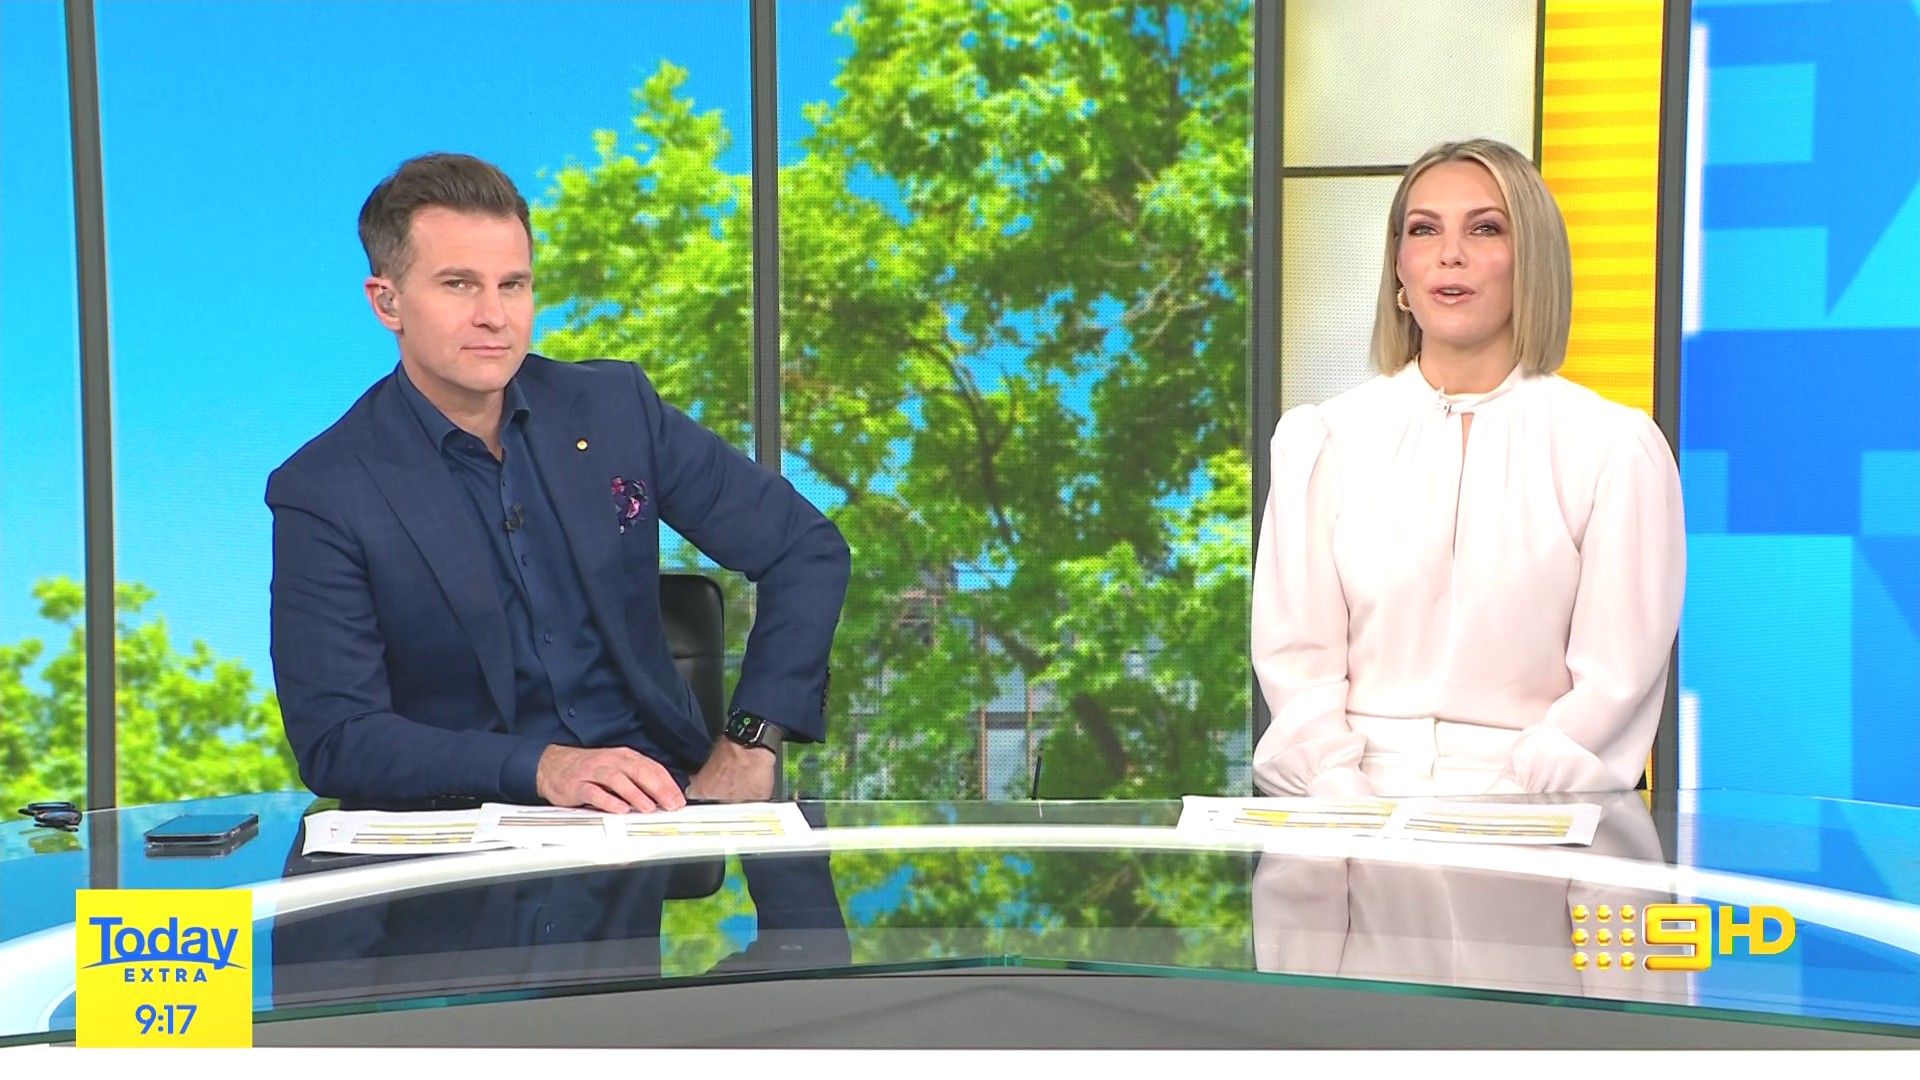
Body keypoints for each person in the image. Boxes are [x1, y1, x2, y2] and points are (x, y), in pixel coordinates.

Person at [267, 152, 849, 812]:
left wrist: (749, 742)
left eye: (513, 285)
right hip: (465, 831)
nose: (495, 315)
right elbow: (338, 738)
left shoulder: (615, 410)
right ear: (387, 302)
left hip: (660, 812)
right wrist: (541, 768)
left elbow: (804, 547)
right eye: (459, 285)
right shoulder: (325, 489)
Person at [1251, 138, 1684, 798]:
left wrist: (1505, 812)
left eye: (1485, 228)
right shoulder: (1323, 440)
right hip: (1346, 809)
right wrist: (1347, 804)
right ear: (1399, 266)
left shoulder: (1614, 448)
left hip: (1538, 812)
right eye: (1424, 229)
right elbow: (1299, 669)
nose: (1449, 254)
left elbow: (1615, 683)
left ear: (1531, 258)